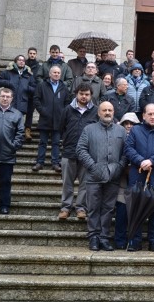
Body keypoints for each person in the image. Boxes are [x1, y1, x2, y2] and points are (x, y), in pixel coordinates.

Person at [76, 101, 127, 251]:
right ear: (98, 113)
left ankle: (104, 237)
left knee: (108, 208)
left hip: (113, 176)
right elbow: (81, 150)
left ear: (113, 112)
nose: (107, 113)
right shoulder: (89, 129)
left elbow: (126, 152)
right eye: (104, 110)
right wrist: (92, 166)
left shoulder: (121, 131)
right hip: (93, 176)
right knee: (93, 207)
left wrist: (119, 166)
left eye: (110, 110)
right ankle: (93, 236)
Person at [124, 103, 154, 252]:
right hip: (138, 176)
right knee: (136, 209)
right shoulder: (135, 130)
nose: (153, 117)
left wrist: (152, 161)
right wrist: (140, 161)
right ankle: (135, 241)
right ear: (144, 116)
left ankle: (153, 241)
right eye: (150, 114)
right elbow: (128, 149)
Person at [58, 83, 98, 220]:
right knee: (67, 183)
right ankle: (65, 207)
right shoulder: (67, 110)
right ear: (76, 94)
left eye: (87, 94)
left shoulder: (95, 111)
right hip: (69, 152)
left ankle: (81, 208)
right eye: (81, 94)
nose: (84, 97)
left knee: (85, 184)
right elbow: (61, 129)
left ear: (91, 96)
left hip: (88, 155)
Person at [32, 66, 69, 173]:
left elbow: (67, 102)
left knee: (56, 143)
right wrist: (42, 111)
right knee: (42, 142)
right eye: (54, 72)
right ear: (50, 74)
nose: (56, 74)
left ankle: (55, 163)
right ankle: (40, 162)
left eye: (58, 72)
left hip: (58, 120)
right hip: (45, 119)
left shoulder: (64, 87)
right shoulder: (42, 85)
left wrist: (63, 112)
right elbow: (36, 99)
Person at [0, 54, 36, 141]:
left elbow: (35, 88)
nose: (21, 61)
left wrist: (27, 88)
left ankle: (16, 143)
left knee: (18, 126)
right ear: (15, 62)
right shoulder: (8, 72)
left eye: (23, 60)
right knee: (8, 125)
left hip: (22, 103)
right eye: (19, 60)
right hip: (9, 104)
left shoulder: (28, 75)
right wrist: (8, 83)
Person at [114, 112, 139, 250]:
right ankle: (120, 240)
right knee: (121, 212)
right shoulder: (118, 136)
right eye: (126, 123)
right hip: (121, 179)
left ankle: (133, 240)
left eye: (132, 123)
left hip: (136, 177)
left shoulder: (140, 135)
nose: (129, 126)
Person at [24, 47, 42, 140]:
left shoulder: (39, 67)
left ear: (36, 54)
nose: (32, 55)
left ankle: (28, 129)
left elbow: (39, 78)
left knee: (30, 112)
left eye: (34, 53)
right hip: (23, 92)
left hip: (33, 92)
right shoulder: (23, 64)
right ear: (28, 54)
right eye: (30, 53)